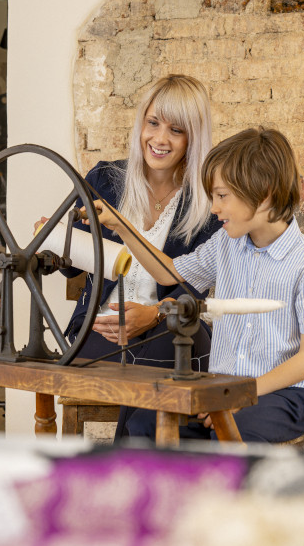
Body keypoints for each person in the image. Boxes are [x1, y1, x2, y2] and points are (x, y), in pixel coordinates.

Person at [86, 127, 304, 443]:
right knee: (143, 424)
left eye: (222, 196)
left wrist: (238, 395)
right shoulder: (226, 244)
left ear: (264, 195)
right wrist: (122, 227)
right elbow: (169, 273)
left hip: (288, 394)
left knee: (231, 432)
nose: (213, 208)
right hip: (222, 386)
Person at [61, 75, 221, 372]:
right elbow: (70, 267)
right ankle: (139, 422)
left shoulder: (208, 203)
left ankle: (135, 420)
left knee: (169, 343)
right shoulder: (104, 180)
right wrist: (55, 237)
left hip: (170, 327)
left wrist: (154, 314)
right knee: (148, 378)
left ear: (193, 138)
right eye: (153, 123)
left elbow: (195, 286)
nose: (160, 139)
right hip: (102, 327)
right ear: (141, 125)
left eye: (176, 130)